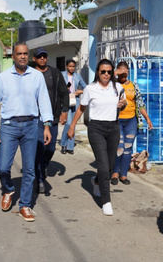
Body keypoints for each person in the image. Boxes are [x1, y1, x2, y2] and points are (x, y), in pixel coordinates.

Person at [0, 42, 53, 222]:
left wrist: (47, 125)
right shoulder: (3, 77)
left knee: (30, 169)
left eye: (25, 53)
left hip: (31, 126)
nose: (23, 56)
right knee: (2, 167)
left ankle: (25, 204)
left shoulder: (36, 77)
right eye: (19, 53)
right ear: (13, 56)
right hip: (9, 126)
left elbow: (44, 101)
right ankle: (8, 189)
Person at [67, 58, 126, 216]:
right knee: (102, 164)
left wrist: (123, 105)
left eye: (108, 72)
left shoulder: (118, 87)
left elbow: (123, 103)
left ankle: (96, 181)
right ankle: (106, 201)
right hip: (96, 128)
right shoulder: (90, 89)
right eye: (103, 72)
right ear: (98, 73)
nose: (106, 74)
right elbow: (81, 108)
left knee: (110, 166)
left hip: (113, 127)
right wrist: (72, 126)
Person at [31, 48, 69, 194]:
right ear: (34, 59)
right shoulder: (30, 74)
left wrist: (64, 111)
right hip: (35, 118)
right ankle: (39, 179)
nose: (42, 59)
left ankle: (44, 164)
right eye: (39, 57)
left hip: (52, 116)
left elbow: (64, 92)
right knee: (40, 147)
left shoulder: (55, 73)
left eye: (44, 56)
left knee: (51, 148)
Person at [111, 61, 153, 186]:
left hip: (131, 121)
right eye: (121, 72)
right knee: (119, 147)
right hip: (116, 120)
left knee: (127, 149)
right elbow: (102, 80)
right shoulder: (112, 85)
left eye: (126, 72)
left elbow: (140, 104)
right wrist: (116, 72)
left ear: (129, 72)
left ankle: (123, 174)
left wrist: (147, 119)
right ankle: (115, 173)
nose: (123, 75)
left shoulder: (134, 86)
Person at [60, 59, 86, 155]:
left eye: (73, 66)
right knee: (68, 123)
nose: (71, 68)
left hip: (75, 101)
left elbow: (85, 87)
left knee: (73, 124)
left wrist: (79, 91)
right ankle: (63, 144)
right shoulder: (62, 74)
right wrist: (64, 89)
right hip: (65, 101)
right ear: (67, 66)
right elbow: (58, 87)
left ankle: (70, 147)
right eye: (70, 66)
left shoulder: (77, 76)